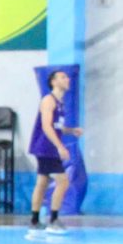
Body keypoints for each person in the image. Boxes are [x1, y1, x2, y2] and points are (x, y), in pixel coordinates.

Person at [27, 68, 81, 235]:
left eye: (67, 77)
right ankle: (53, 220)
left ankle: (34, 221)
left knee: (42, 182)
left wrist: (71, 130)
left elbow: (57, 126)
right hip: (46, 147)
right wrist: (60, 146)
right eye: (63, 77)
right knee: (63, 182)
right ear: (53, 82)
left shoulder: (60, 102)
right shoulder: (48, 100)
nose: (67, 79)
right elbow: (46, 126)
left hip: (46, 147)